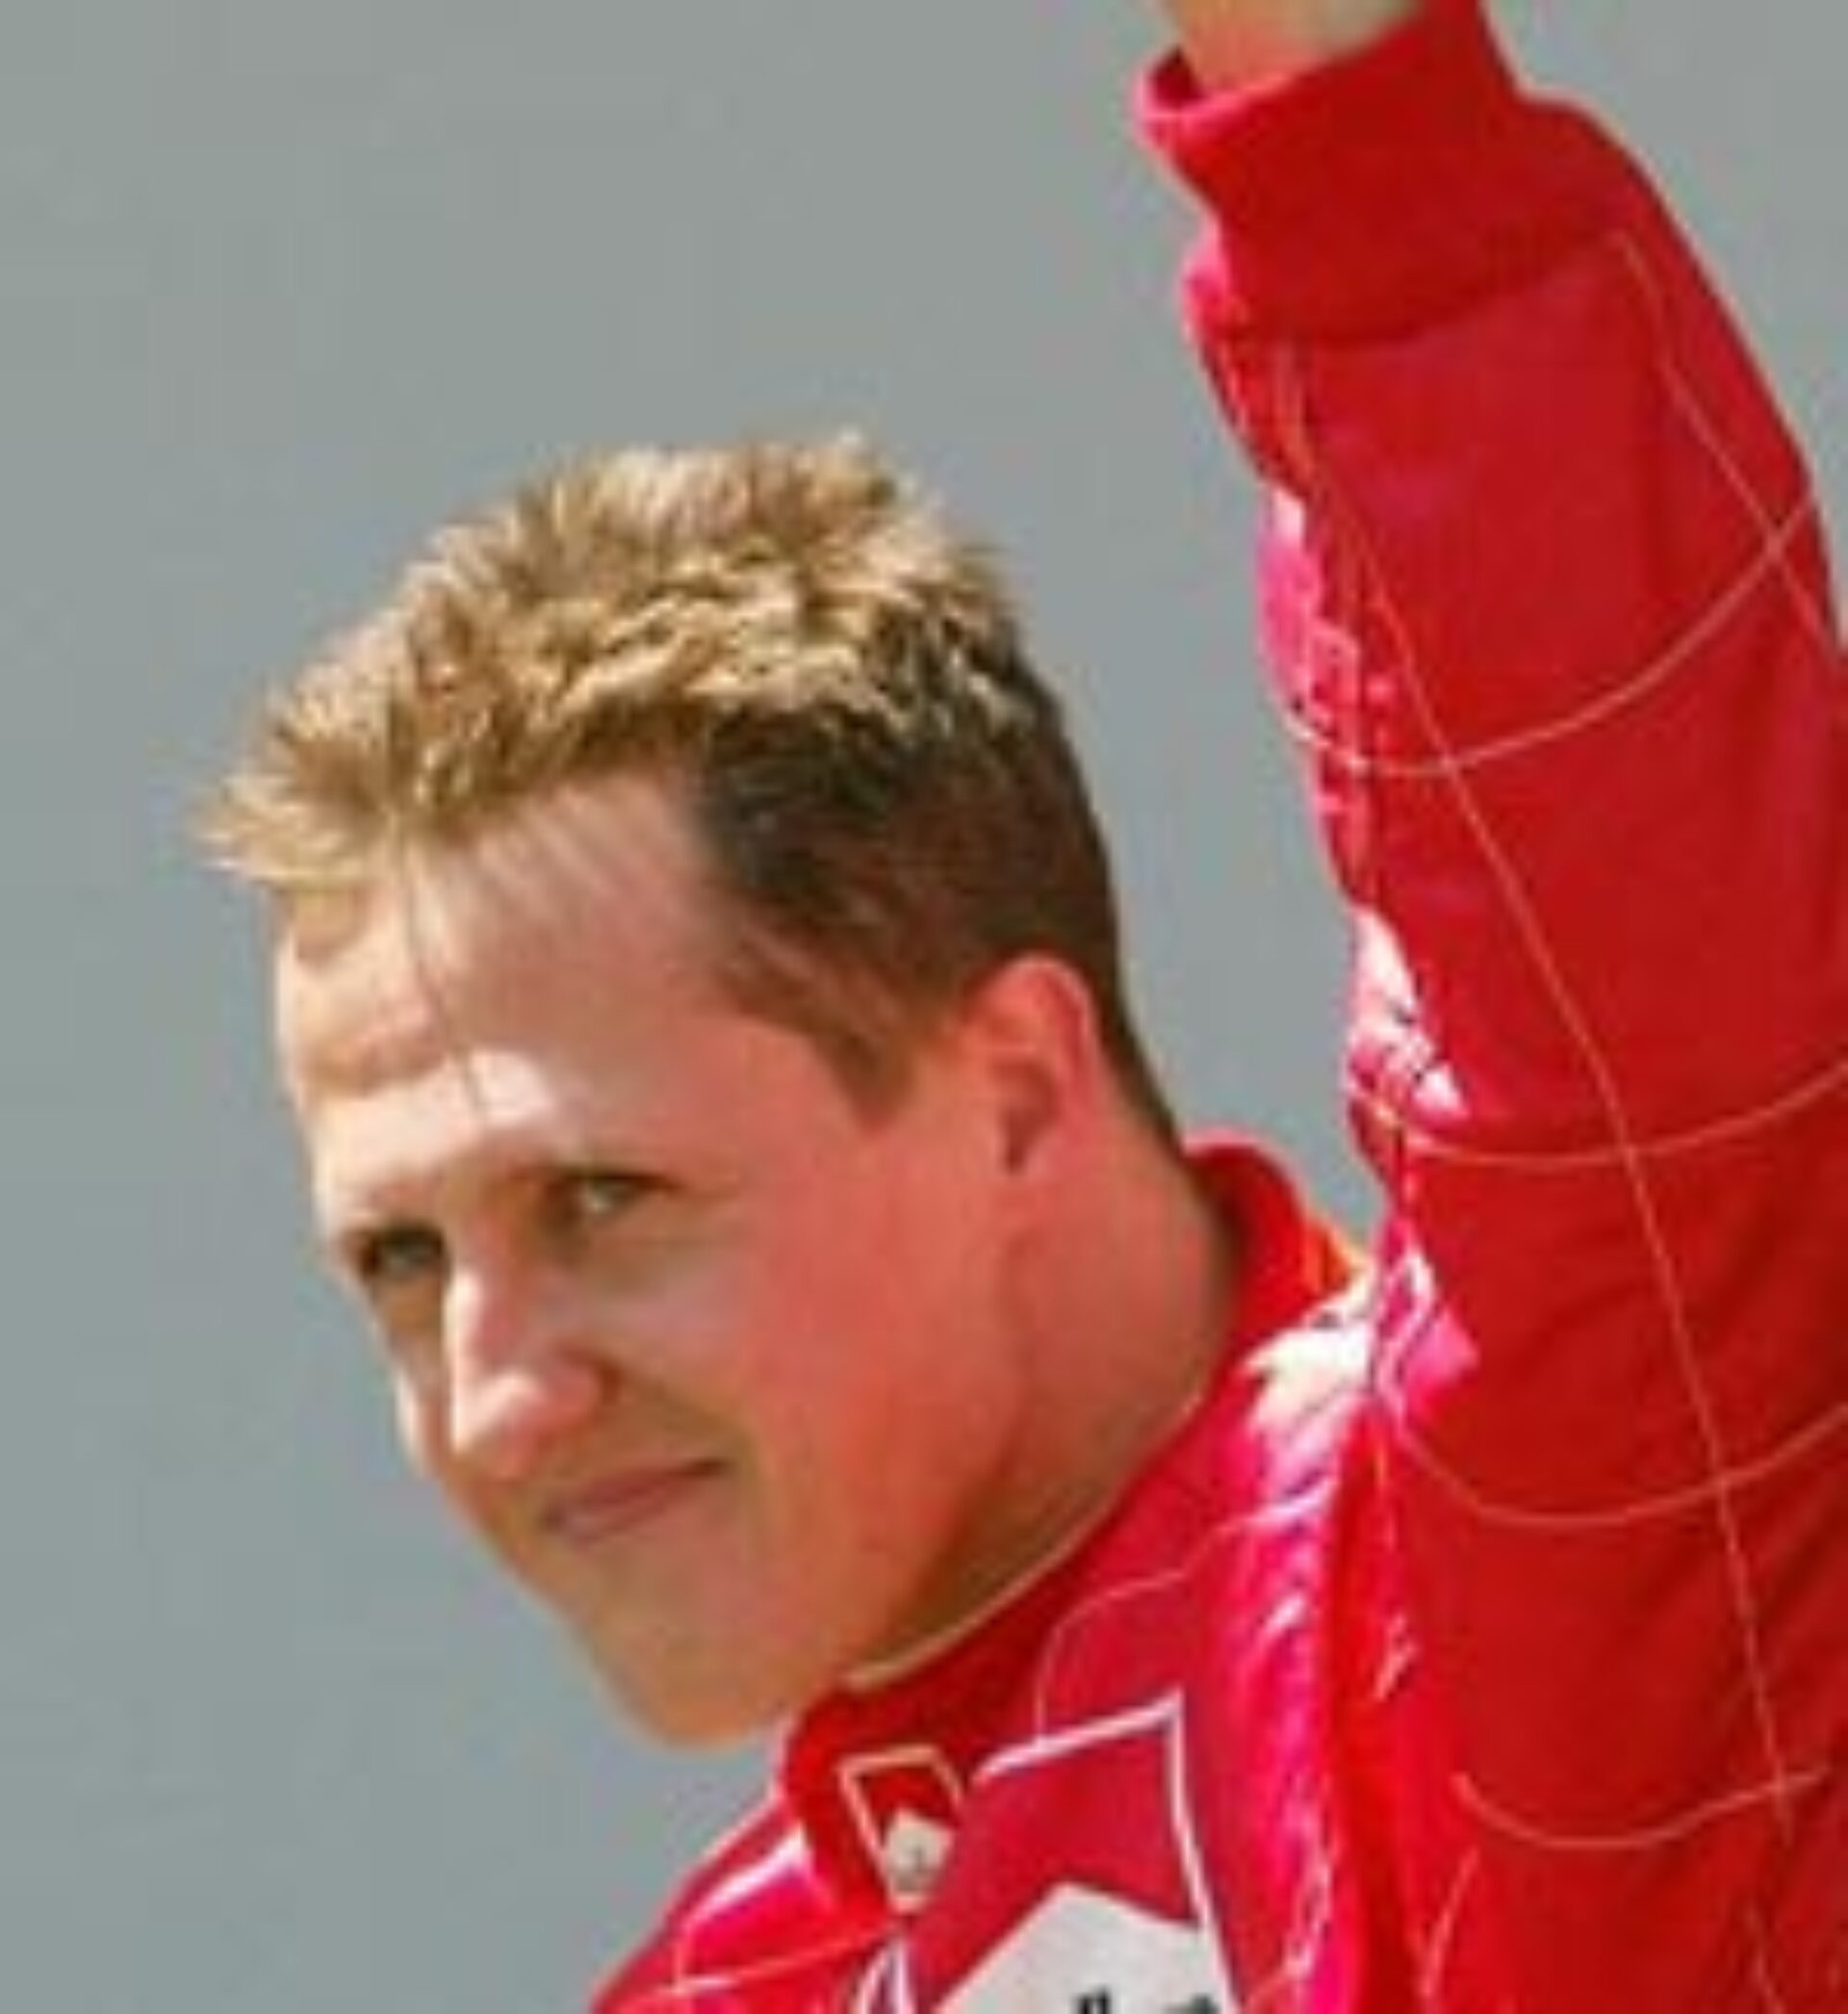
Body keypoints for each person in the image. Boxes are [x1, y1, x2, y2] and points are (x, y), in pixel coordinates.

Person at [201, 0, 1847, 2004]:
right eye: (399, 1257)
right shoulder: (728, 1980)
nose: (498, 1396)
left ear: (1015, 1092)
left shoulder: (1480, 1570)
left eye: (601, 1198)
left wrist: (1349, 133)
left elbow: (1631, 967)